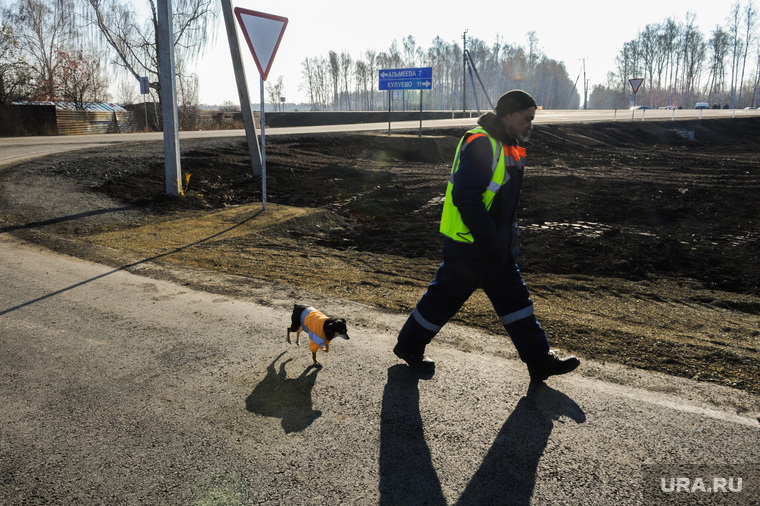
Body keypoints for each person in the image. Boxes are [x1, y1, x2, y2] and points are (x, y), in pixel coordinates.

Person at [392, 89, 580, 382]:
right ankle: (408, 346)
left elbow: (502, 203)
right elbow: (466, 196)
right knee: (445, 300)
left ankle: (539, 360)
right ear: (510, 115)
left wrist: (504, 241)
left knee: (515, 302)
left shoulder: (505, 144)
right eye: (528, 119)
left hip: (490, 246)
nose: (531, 125)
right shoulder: (483, 143)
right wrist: (489, 237)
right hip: (473, 246)